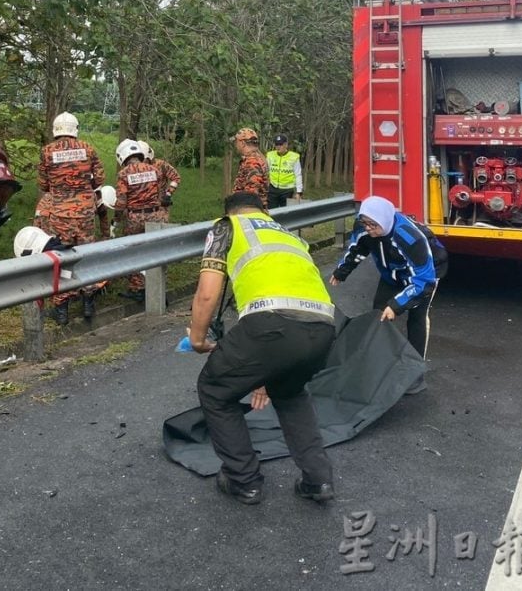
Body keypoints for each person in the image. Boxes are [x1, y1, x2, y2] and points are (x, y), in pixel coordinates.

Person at [188, 191, 336, 505]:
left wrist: (198, 340)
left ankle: (243, 480)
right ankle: (318, 479)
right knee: (290, 393)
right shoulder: (286, 233)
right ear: (263, 211)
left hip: (270, 323)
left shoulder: (227, 226)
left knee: (215, 389)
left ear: (230, 211)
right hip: (322, 326)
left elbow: (207, 293)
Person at [329, 196, 446, 394]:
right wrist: (342, 271)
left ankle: (415, 373)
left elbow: (424, 281)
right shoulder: (364, 227)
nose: (368, 229)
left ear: (384, 220)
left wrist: (396, 305)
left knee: (416, 317)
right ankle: (377, 364)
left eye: (373, 225)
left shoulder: (409, 238)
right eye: (365, 223)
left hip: (425, 274)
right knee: (378, 315)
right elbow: (357, 248)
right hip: (392, 274)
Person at [37, 111, 105, 325]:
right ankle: (88, 302)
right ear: (75, 129)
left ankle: (62, 308)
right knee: (86, 255)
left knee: (62, 258)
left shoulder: (47, 152)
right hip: (85, 213)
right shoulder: (88, 149)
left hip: (60, 214)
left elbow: (43, 185)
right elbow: (100, 179)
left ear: (56, 129)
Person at [115, 138, 162, 302]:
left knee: (133, 251)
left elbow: (121, 202)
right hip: (155, 215)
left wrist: (117, 219)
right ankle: (155, 284)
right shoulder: (154, 170)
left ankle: (137, 288)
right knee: (153, 250)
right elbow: (159, 193)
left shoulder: (124, 174)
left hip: (134, 218)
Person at [138, 140, 181, 223]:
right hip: (142, 207)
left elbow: (176, 177)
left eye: (143, 159)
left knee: (160, 227)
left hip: (160, 205)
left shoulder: (161, 165)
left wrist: (168, 194)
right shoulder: (135, 168)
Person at [231, 128, 268, 211]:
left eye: (236, 142)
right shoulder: (252, 159)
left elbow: (251, 194)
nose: (236, 145)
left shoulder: (252, 163)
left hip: (249, 211)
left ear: (243, 143)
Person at [266, 134, 303, 208]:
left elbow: (298, 175)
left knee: (285, 212)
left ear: (286, 144)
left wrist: (299, 192)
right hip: (273, 189)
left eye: (280, 144)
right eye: (276, 144)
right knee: (272, 212)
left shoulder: (294, 157)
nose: (278, 147)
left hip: (287, 190)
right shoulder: (270, 155)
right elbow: (265, 170)